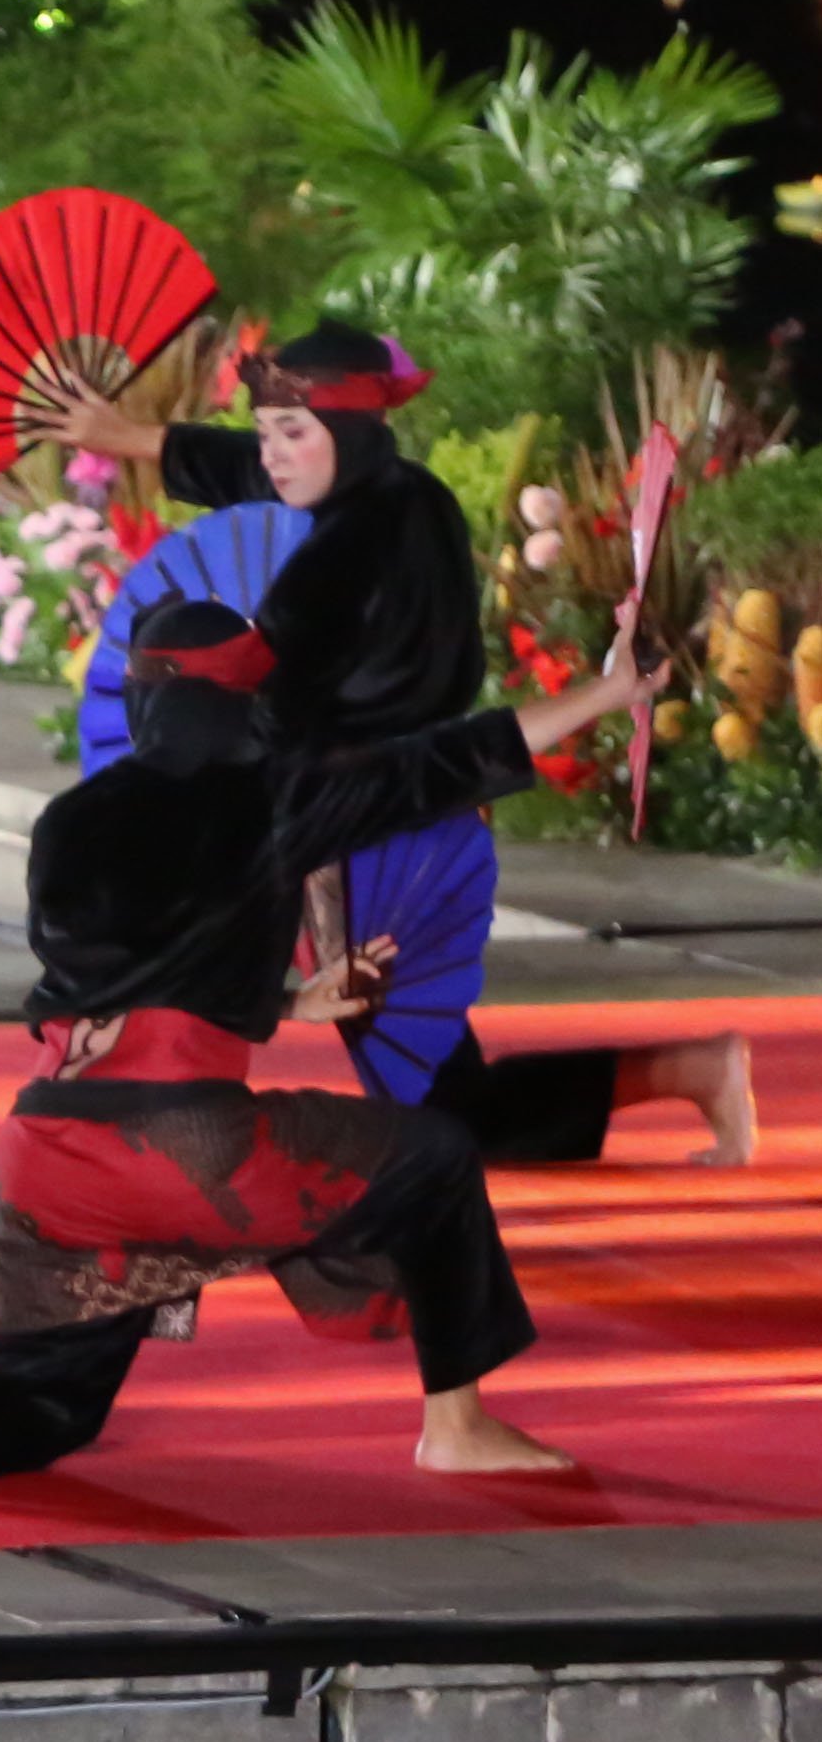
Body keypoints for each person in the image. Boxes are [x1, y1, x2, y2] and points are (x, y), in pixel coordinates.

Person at [0, 600, 664, 1494]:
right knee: (437, 1155)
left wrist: (287, 1000)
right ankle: (458, 1425)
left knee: (50, 1394)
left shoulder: (69, 822)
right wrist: (609, 689)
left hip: (45, 1152)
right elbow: (450, 760)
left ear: (146, 694)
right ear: (247, 697)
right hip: (186, 1146)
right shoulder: (277, 796)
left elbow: (136, 969)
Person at [62, 328, 751, 1167]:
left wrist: (198, 723)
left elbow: (301, 710)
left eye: (291, 432)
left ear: (344, 435)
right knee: (421, 1084)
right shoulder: (390, 491)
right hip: (381, 798)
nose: (271, 456)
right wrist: (124, 437)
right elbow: (251, 468)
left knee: (439, 1109)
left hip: (388, 820)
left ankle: (696, 1070)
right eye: (267, 428)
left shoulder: (347, 555)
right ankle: (694, 1070)